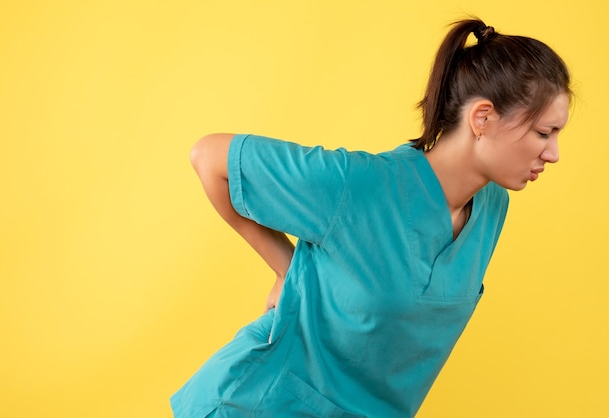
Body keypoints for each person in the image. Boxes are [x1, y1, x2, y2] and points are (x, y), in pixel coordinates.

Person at [172, 18, 571, 417]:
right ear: (482, 118)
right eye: (543, 133)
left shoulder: (491, 208)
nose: (552, 153)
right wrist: (287, 270)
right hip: (256, 403)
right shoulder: (361, 187)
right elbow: (209, 158)